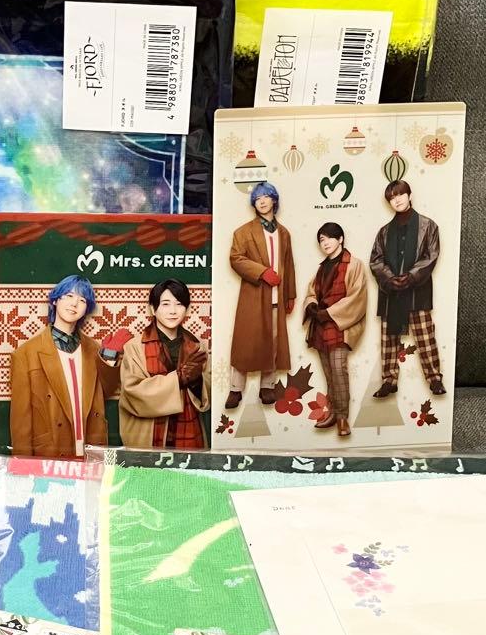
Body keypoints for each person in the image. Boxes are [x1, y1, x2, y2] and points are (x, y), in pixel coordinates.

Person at [8, 274, 129, 458]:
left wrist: (109, 358)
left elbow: (107, 391)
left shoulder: (93, 349)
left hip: (91, 448)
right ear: (55, 300)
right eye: (69, 296)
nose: (74, 304)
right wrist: (23, 464)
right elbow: (21, 421)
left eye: (82, 300)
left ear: (86, 309)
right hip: (50, 451)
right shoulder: (25, 354)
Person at [368, 180, 446, 398]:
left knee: (425, 336)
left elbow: (431, 255)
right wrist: (390, 279)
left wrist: (411, 276)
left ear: (409, 195)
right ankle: (389, 381)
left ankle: (435, 379)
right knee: (388, 339)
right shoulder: (384, 231)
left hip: (417, 291)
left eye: (400, 194)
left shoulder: (428, 226)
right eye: (392, 197)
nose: (397, 200)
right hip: (391, 293)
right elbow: (375, 260)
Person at [226, 181, 296, 410]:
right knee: (246, 342)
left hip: (277, 296)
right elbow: (236, 259)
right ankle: (235, 389)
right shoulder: (243, 231)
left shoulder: (284, 233)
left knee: (273, 343)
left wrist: (290, 295)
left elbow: (289, 265)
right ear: (254, 204)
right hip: (253, 295)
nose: (262, 201)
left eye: (266, 196)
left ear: (274, 200)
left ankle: (267, 386)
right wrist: (263, 272)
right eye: (257, 199)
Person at [119, 279, 210, 450]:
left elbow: (210, 390)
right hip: (148, 433)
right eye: (166, 304)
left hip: (189, 429)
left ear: (187, 309)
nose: (173, 311)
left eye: (179, 304)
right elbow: (132, 392)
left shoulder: (198, 346)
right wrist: (179, 379)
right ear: (153, 309)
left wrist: (197, 381)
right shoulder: (135, 347)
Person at [302, 223, 368, 438]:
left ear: (340, 239)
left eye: (330, 237)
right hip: (321, 326)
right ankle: (332, 413)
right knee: (329, 373)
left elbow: (357, 297)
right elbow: (311, 292)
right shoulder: (322, 268)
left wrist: (329, 313)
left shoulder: (355, 264)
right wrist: (311, 305)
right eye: (321, 240)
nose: (325, 243)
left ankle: (342, 418)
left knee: (339, 370)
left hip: (340, 325)